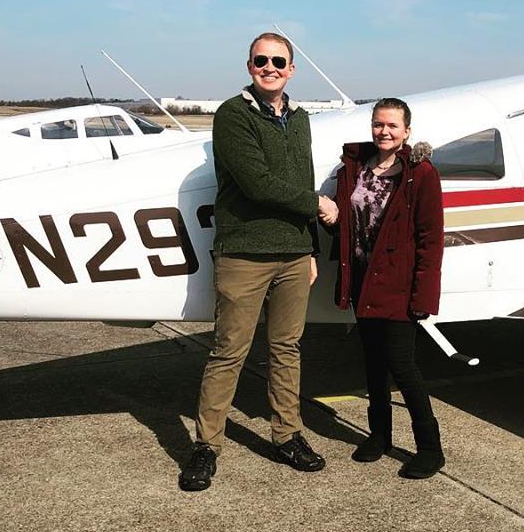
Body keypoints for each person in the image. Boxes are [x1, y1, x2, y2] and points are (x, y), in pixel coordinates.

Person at [180, 32, 339, 492]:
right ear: (250, 65)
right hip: (244, 254)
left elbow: (300, 178)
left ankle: (287, 435)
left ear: (291, 69)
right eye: (261, 60)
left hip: (293, 254)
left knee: (287, 348)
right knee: (229, 351)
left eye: (279, 61)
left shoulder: (300, 118)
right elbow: (257, 183)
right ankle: (206, 446)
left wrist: (310, 248)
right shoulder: (233, 114)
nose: (270, 67)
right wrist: (319, 205)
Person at [322, 97, 445, 479]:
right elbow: (348, 227)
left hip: (398, 285)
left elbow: (431, 239)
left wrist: (423, 296)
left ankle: (430, 448)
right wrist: (332, 218)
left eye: (392, 125)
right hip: (363, 281)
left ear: (407, 131)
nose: (384, 131)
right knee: (373, 364)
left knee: (403, 366)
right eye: (378, 124)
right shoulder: (355, 168)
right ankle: (380, 436)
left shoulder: (420, 174)